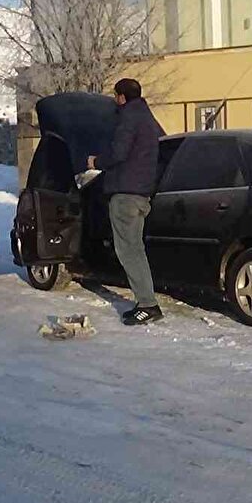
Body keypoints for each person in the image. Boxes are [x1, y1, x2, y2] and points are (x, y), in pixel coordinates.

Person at [87, 78, 165, 326]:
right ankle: (146, 301)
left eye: (116, 97)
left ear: (121, 97)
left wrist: (95, 162)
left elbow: (119, 153)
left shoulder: (128, 119)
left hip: (126, 194)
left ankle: (147, 305)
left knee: (129, 251)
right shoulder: (148, 119)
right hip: (142, 193)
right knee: (136, 249)